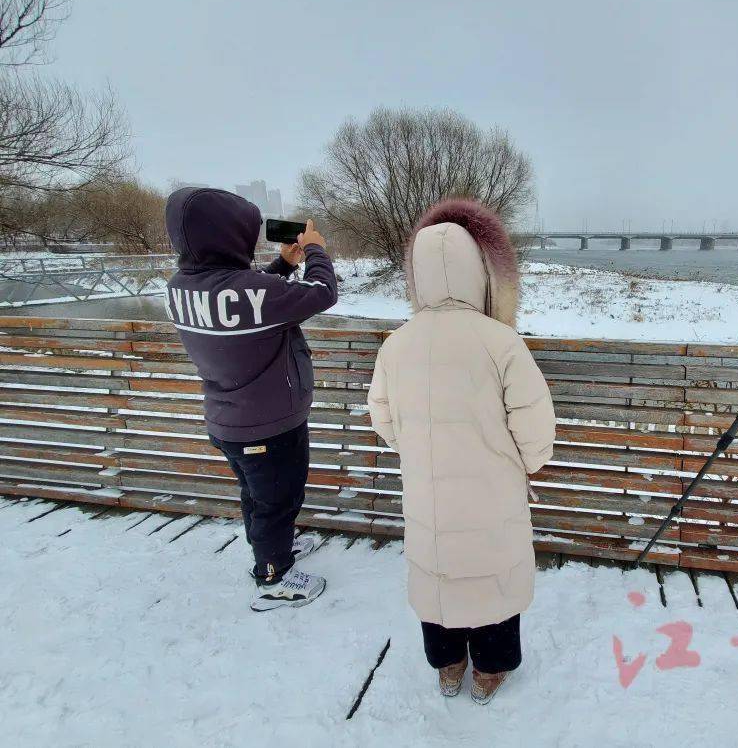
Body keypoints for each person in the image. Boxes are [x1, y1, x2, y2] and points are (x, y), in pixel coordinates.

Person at [368, 199, 556, 705]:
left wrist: (419, 452)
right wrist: (519, 464)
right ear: (480, 270)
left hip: (427, 493)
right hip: (492, 495)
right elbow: (536, 429)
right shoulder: (502, 342)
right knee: (491, 575)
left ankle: (448, 666)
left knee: (438, 575)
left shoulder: (397, 344)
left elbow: (382, 416)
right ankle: (491, 670)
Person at [163, 187, 338, 612]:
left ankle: (275, 550)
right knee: (278, 500)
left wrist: (282, 264)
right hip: (270, 425)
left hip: (230, 423)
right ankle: (274, 576)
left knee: (258, 496)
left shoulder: (178, 287)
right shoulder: (252, 292)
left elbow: (245, 297)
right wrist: (314, 250)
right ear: (229, 237)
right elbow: (322, 292)